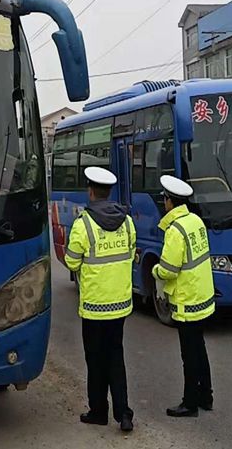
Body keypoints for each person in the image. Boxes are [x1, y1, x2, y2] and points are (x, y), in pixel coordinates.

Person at [64, 166, 136, 433]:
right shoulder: (127, 221)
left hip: (94, 306)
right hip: (120, 304)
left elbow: (71, 260)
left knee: (95, 360)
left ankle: (98, 412)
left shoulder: (83, 224)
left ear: (91, 191)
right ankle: (124, 414)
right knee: (116, 357)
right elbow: (130, 253)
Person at [152, 175, 215, 418]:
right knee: (200, 349)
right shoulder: (195, 220)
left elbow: (168, 269)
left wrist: (154, 270)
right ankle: (206, 396)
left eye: (164, 199)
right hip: (202, 295)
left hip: (187, 300)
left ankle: (189, 403)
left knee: (189, 353)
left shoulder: (174, 230)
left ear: (169, 201)